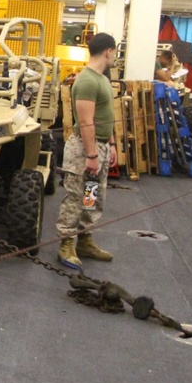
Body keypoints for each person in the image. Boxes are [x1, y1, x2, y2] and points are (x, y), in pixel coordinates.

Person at [56, 32, 118, 270]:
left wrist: (110, 144)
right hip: (84, 149)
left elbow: (106, 117)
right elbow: (86, 122)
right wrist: (92, 155)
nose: (115, 57)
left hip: (99, 147)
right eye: (115, 53)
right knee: (75, 197)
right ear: (108, 51)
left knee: (91, 196)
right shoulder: (87, 81)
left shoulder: (101, 79)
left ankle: (84, 239)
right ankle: (66, 244)